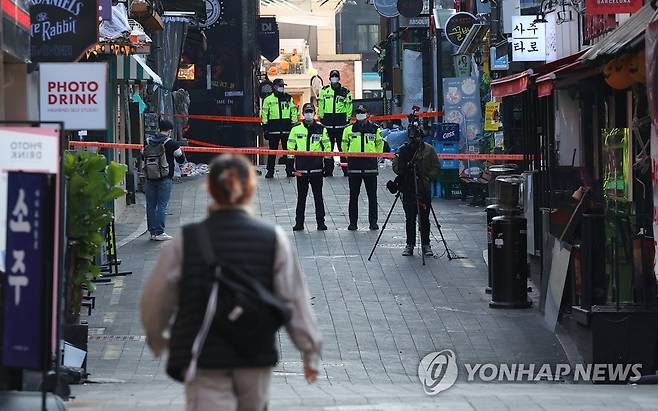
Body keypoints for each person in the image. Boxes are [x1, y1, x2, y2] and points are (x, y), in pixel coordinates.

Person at [140, 154, 322, 411]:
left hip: (204, 354)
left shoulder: (186, 240)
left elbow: (155, 299)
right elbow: (295, 300)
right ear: (250, 189)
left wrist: (158, 340)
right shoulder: (274, 240)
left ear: (211, 189)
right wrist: (309, 351)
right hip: (255, 352)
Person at [392, 122, 440, 257]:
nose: (414, 139)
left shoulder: (428, 150)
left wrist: (427, 178)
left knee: (424, 218)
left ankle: (426, 244)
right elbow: (396, 166)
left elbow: (436, 167)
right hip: (408, 187)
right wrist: (404, 169)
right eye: (412, 137)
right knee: (410, 218)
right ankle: (410, 244)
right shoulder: (403, 150)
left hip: (423, 188)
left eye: (417, 136)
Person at [287, 103, 332, 231]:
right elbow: (291, 147)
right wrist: (289, 165)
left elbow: (327, 147)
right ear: (302, 113)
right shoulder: (295, 129)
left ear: (314, 113)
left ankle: (321, 223)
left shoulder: (321, 129)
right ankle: (299, 223)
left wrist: (328, 164)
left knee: (318, 197)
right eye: (306, 111)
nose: (308, 114)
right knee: (301, 198)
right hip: (301, 168)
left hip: (317, 168)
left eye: (310, 111)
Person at [341, 105, 384, 231]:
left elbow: (379, 144)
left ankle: (373, 223)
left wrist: (376, 156)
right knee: (353, 196)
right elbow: (344, 144)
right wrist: (348, 156)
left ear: (367, 114)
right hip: (354, 166)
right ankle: (353, 223)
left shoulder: (375, 129)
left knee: (372, 196)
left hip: (370, 166)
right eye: (358, 113)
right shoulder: (349, 129)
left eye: (362, 112)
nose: (360, 115)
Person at [142, 119, 186, 241]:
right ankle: (160, 232)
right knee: (162, 205)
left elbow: (142, 155)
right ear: (170, 131)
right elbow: (180, 158)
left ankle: (152, 232)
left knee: (150, 204)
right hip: (165, 177)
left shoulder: (148, 141)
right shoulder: (172, 143)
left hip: (150, 176)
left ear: (159, 128)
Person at [261, 78, 298, 178]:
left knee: (289, 151)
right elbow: (264, 114)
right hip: (273, 129)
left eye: (282, 86)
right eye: (280, 86)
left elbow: (293, 111)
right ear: (274, 87)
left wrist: (293, 125)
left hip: (287, 129)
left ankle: (289, 170)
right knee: (272, 152)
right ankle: (270, 171)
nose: (281, 88)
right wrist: (265, 128)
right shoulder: (268, 99)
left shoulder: (288, 98)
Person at [318, 69, 352, 177]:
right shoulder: (324, 90)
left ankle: (346, 169)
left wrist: (347, 118)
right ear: (329, 78)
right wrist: (321, 117)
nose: (334, 78)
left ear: (339, 78)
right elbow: (321, 104)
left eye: (336, 76)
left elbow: (349, 105)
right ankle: (328, 170)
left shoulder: (345, 91)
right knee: (328, 147)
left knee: (343, 148)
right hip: (328, 122)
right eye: (332, 76)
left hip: (341, 123)